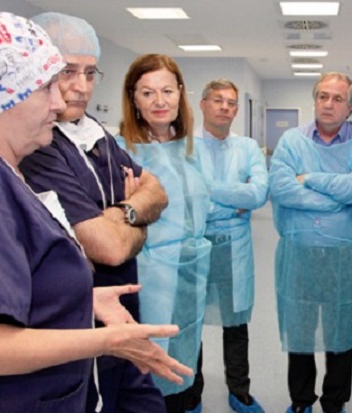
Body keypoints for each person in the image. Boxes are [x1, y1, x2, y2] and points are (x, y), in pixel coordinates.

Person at [0, 12, 190, 412]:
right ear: (1, 95)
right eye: (46, 88)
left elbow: (10, 276)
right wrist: (107, 341)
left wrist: (80, 299)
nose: (60, 102)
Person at [19, 12, 170, 413]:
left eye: (90, 73)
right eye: (68, 71)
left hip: (122, 317)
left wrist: (122, 214)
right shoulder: (38, 146)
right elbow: (109, 248)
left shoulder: (95, 133)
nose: (81, 87)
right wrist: (135, 213)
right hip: (78, 328)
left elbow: (157, 192)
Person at [269, 72, 352, 413]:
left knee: (341, 333)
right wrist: (337, 198)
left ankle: (335, 401)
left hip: (343, 256)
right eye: (322, 96)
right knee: (300, 331)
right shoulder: (292, 141)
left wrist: (312, 180)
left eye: (336, 98)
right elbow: (282, 188)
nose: (328, 104)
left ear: (350, 106)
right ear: (314, 100)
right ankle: (301, 400)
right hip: (299, 255)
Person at [116, 53, 212, 413]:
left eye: (167, 91)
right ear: (133, 100)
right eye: (147, 92)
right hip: (147, 274)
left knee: (187, 348)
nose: (160, 101)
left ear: (180, 94)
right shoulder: (120, 149)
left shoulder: (189, 147)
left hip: (191, 270)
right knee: (148, 365)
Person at [187, 79, 269, 413]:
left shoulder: (249, 147)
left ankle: (240, 391)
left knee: (236, 323)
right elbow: (190, 201)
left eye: (232, 102)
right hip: (196, 243)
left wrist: (208, 191)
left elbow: (258, 194)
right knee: (192, 323)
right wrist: (233, 198)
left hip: (235, 247)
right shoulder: (185, 147)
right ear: (203, 104)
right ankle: (192, 394)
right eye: (218, 100)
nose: (225, 107)